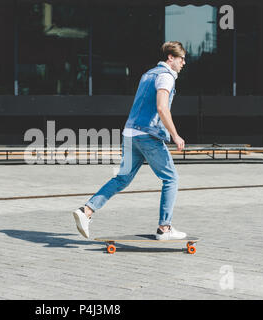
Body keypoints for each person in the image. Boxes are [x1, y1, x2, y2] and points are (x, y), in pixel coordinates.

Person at [73, 41, 187, 240]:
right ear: (170, 58)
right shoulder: (165, 76)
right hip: (147, 136)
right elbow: (162, 107)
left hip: (130, 134)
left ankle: (86, 211)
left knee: (122, 179)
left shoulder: (147, 75)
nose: (183, 63)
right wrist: (175, 135)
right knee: (171, 179)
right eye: (181, 59)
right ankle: (165, 228)